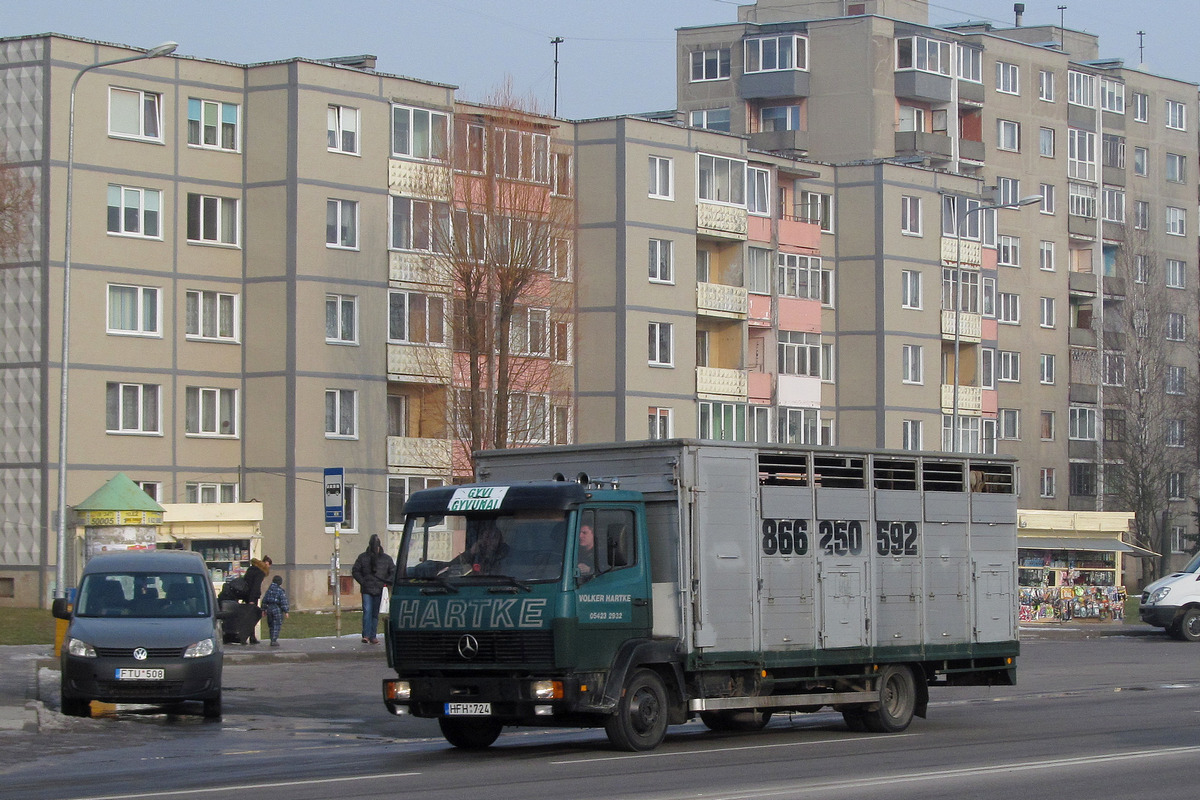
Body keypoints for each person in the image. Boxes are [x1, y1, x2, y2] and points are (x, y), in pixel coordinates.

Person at [218, 556, 272, 645]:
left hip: (244, 595)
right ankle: (251, 637)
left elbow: (246, 582)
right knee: (251, 616)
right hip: (251, 597)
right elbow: (255, 587)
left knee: (246, 615)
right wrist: (252, 600)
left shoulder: (251, 568)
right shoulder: (260, 572)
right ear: (267, 565)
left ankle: (248, 636)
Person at [352, 535, 395, 644]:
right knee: (368, 611)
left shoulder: (386, 559)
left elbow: (393, 571)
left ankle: (372, 635)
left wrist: (386, 581)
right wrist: (363, 582)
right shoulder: (363, 557)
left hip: (379, 588)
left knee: (374, 613)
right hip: (367, 588)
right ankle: (366, 635)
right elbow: (356, 571)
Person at [261, 575, 290, 647]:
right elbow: (283, 601)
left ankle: (271, 638)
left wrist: (263, 609)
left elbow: (264, 600)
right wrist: (286, 611)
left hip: (269, 608)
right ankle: (274, 640)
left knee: (271, 625)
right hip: (277, 608)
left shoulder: (269, 590)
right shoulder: (280, 591)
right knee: (276, 624)